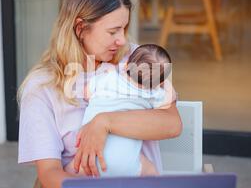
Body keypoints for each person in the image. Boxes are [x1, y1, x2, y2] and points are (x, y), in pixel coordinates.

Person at [18, 0, 182, 188]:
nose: (122, 39)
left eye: (124, 28)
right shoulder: (42, 87)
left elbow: (172, 124)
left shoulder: (137, 60)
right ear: (80, 28)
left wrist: (104, 122)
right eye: (113, 31)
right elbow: (50, 174)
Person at [68, 43, 175, 177]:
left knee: (69, 172)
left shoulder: (107, 78)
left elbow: (87, 93)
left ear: (126, 66)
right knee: (151, 171)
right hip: (127, 165)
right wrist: (166, 87)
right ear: (159, 83)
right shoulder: (153, 94)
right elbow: (170, 99)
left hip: (89, 158)